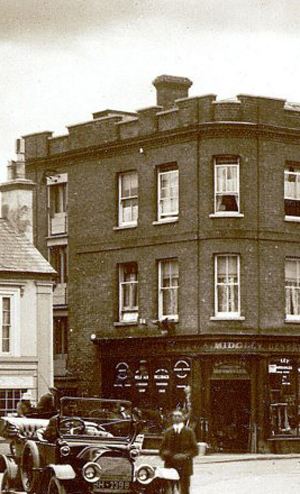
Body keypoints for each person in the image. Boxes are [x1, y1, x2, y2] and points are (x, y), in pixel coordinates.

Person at [159, 409, 198, 494]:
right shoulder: (168, 432)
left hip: (185, 465)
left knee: (184, 489)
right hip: (170, 464)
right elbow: (162, 449)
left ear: (183, 418)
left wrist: (185, 456)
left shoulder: (189, 432)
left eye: (179, 416)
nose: (177, 418)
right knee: (169, 489)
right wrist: (167, 454)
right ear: (172, 418)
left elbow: (195, 449)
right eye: (175, 416)